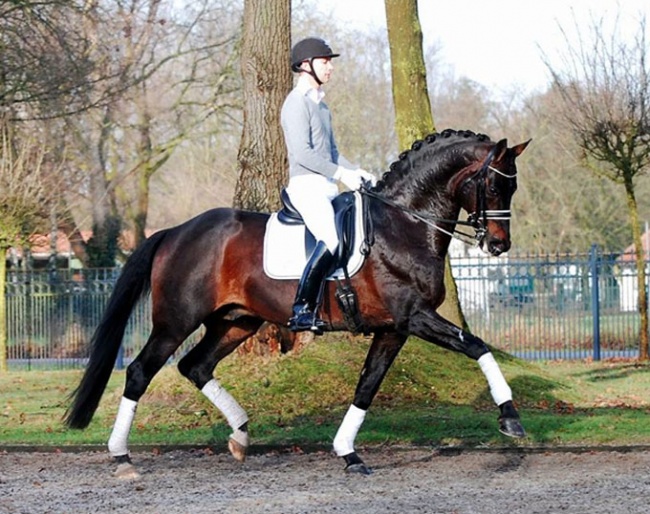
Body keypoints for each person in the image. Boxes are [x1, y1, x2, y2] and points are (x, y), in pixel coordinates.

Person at [281, 36, 375, 333]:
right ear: (305, 65)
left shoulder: (322, 107)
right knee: (332, 240)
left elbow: (332, 153)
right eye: (325, 62)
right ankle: (301, 310)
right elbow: (303, 154)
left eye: (330, 62)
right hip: (306, 186)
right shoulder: (295, 103)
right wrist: (340, 174)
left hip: (327, 186)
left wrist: (357, 171)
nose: (330, 67)